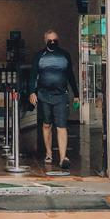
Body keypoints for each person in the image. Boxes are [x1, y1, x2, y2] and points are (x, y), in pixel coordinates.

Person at [29, 29, 79, 169]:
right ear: (45, 41)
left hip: (61, 96)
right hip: (43, 95)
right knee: (46, 125)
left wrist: (76, 94)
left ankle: (63, 157)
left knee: (61, 126)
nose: (52, 42)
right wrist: (32, 92)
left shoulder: (65, 55)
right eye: (50, 40)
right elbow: (33, 75)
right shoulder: (39, 55)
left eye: (55, 40)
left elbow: (70, 76)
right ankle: (49, 152)